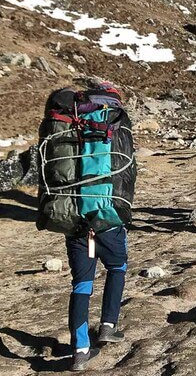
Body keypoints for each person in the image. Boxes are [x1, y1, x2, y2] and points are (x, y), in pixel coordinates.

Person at [37, 82, 135, 371]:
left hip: (69, 213)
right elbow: (126, 170)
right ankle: (108, 325)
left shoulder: (64, 122)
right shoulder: (111, 119)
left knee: (81, 284)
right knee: (117, 267)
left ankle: (80, 350)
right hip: (105, 212)